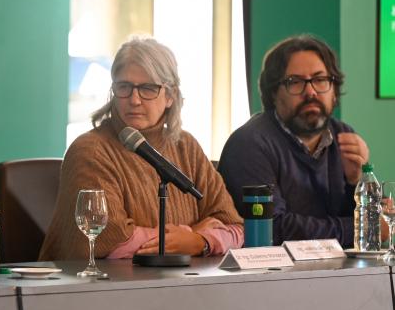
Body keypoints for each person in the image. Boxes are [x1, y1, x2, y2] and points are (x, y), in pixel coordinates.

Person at [39, 37, 242, 261]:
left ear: (170, 96)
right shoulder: (90, 150)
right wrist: (189, 235)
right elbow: (109, 241)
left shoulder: (186, 147)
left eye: (148, 88)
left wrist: (200, 242)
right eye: (124, 87)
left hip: (179, 286)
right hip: (98, 290)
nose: (134, 99)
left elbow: (235, 229)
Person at [218, 34, 376, 247]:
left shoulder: (343, 136)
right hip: (270, 276)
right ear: (274, 93)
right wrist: (363, 227)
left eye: (320, 80)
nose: (310, 91)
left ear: (334, 90)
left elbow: (363, 230)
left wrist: (354, 181)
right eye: (296, 82)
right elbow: (274, 229)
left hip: (337, 273)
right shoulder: (249, 144)